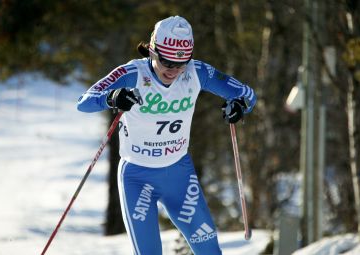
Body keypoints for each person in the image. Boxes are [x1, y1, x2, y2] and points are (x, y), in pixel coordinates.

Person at [77, 16, 256, 255]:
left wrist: (239, 106)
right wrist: (111, 98)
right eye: (167, 62)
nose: (173, 70)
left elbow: (246, 93)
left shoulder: (197, 72)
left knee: (210, 251)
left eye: (181, 63)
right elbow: (84, 102)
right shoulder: (132, 73)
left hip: (179, 174)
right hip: (137, 177)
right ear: (152, 51)